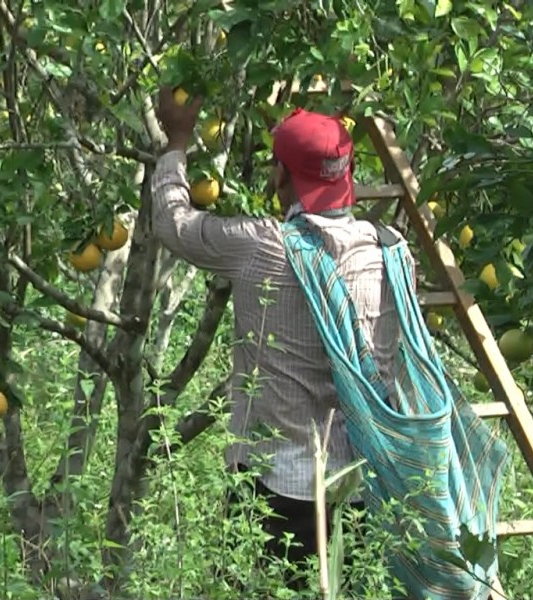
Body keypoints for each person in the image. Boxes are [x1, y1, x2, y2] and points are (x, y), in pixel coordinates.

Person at [150, 87, 404, 589]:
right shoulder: (392, 253)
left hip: (275, 483)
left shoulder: (262, 247)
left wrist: (177, 140)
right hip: (361, 484)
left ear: (281, 177)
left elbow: (173, 223)